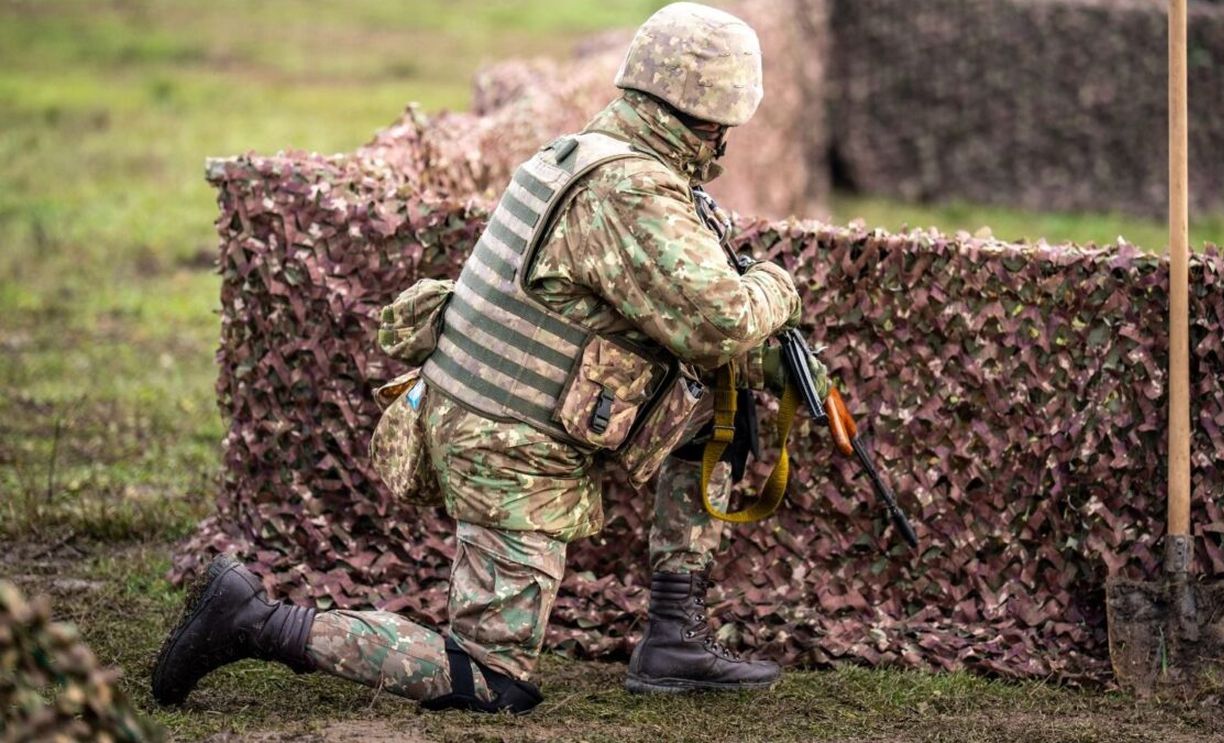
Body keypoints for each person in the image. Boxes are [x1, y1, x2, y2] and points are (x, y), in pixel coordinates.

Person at [153, 1, 819, 714]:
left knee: (717, 416)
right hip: (507, 445)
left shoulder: (582, 153)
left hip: (480, 413)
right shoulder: (630, 188)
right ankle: (252, 619)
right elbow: (721, 322)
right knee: (491, 679)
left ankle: (672, 638)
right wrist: (777, 285)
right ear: (710, 114)